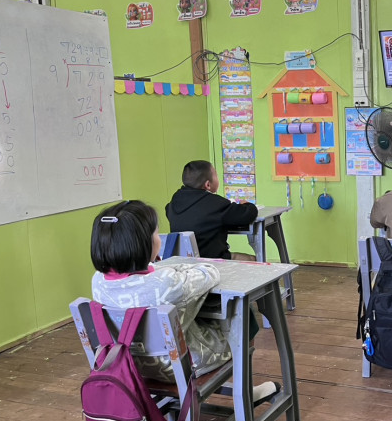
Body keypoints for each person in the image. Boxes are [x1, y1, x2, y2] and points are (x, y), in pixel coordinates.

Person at [90, 200, 279, 404]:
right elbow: (210, 273)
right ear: (144, 244)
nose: (159, 239)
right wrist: (172, 268)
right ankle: (246, 393)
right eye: (156, 234)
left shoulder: (98, 281)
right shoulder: (167, 282)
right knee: (243, 313)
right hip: (181, 366)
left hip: (127, 365)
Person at [166, 160, 258, 260]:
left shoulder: (173, 203)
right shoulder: (215, 203)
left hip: (184, 261)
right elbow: (248, 214)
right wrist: (247, 204)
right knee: (255, 260)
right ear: (208, 185)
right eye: (216, 175)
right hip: (213, 261)